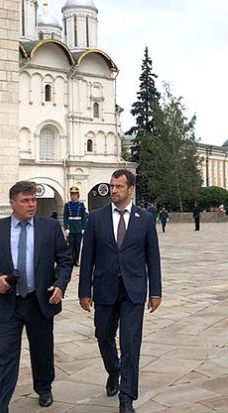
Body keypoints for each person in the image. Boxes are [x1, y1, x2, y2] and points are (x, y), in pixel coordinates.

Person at [0, 181, 73, 413]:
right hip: (7, 302)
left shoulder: (50, 228)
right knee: (5, 355)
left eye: (33, 200)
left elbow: (65, 260)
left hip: (39, 301)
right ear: (12, 203)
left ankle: (44, 387)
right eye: (25, 201)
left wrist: (60, 284)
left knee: (42, 349)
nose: (31, 205)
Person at [79, 169, 162, 413]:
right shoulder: (96, 218)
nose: (113, 190)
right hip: (104, 288)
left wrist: (155, 292)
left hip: (133, 290)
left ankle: (127, 398)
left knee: (131, 342)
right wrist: (84, 291)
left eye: (119, 186)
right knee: (103, 335)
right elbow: (87, 257)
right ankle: (113, 369)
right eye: (111, 186)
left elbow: (153, 257)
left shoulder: (145, 219)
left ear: (130, 189)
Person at [63, 186, 88, 266]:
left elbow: (83, 217)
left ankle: (76, 260)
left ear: (78, 195)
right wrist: (66, 228)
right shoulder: (67, 205)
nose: (73, 196)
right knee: (71, 246)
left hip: (78, 227)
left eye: (75, 194)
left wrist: (83, 228)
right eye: (72, 194)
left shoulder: (81, 205)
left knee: (77, 245)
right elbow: (65, 217)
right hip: (71, 227)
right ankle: (71, 260)